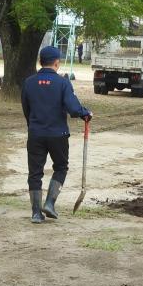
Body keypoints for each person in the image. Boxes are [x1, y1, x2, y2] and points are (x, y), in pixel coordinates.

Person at [22, 46, 92, 224]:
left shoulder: (29, 82)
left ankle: (36, 213)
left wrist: (33, 125)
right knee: (60, 167)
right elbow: (73, 108)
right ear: (57, 63)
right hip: (58, 134)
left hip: (36, 133)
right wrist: (85, 113)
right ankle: (49, 203)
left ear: (40, 62)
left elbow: (26, 108)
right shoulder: (63, 83)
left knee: (35, 173)